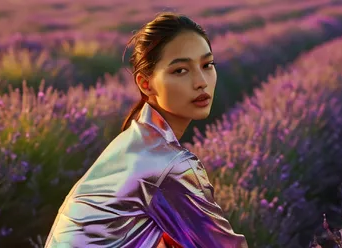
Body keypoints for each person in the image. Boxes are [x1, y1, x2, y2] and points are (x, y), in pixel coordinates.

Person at [44, 12, 248, 248]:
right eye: (180, 70)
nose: (201, 81)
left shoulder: (137, 139)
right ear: (145, 84)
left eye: (207, 65)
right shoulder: (167, 164)